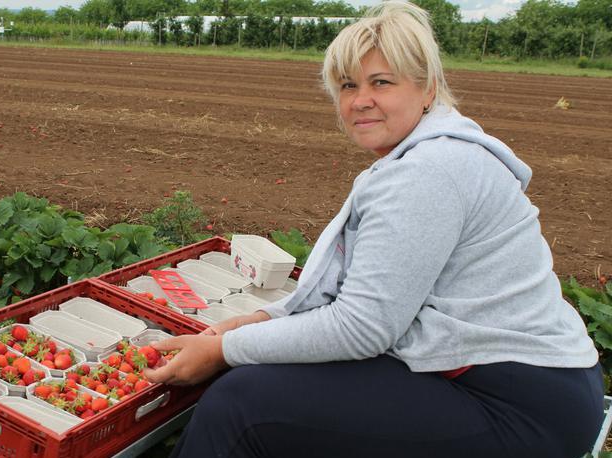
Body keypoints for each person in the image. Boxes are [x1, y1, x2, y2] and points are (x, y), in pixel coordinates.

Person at [143, 2, 604, 457]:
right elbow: (361, 299)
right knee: (263, 376)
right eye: (347, 85)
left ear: (428, 90)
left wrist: (226, 350)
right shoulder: (431, 154)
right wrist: (254, 324)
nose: (360, 100)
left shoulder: (429, 171)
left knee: (241, 404)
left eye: (381, 82)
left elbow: (363, 327)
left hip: (519, 405)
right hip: (507, 377)